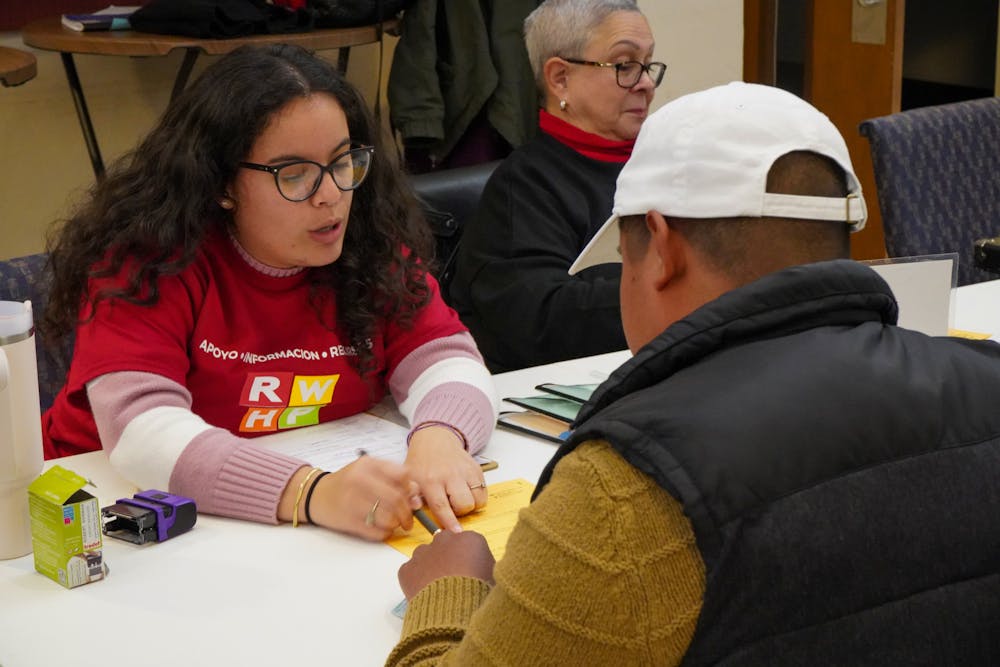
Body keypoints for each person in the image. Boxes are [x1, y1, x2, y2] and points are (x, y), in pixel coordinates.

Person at [386, 82, 1000, 665]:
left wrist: (450, 592)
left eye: (622, 256)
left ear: (661, 244)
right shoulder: (984, 383)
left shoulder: (626, 490)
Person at [41, 44, 498, 539]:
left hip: (286, 522)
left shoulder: (370, 243)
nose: (330, 194)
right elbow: (143, 434)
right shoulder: (147, 261)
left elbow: (445, 357)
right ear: (222, 183)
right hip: (100, 515)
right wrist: (310, 492)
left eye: (343, 162)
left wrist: (440, 438)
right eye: (294, 174)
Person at [449, 0, 664, 372]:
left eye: (647, 65)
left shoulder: (663, 162)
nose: (645, 83)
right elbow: (540, 321)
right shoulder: (525, 187)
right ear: (560, 78)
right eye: (625, 65)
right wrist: (682, 284)